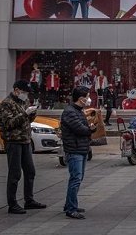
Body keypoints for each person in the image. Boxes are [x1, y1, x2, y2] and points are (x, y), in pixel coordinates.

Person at [0, 80, 46, 214]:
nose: (26, 95)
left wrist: (32, 113)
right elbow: (9, 124)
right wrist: (25, 113)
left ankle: (29, 200)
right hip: (13, 141)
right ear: (16, 90)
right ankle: (12, 204)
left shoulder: (23, 102)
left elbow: (26, 121)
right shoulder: (6, 104)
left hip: (25, 140)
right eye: (24, 92)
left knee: (30, 171)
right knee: (15, 173)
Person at [60, 86, 96, 219]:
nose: (88, 99)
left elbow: (83, 127)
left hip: (81, 148)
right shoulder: (70, 112)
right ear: (81, 99)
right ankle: (71, 208)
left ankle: (69, 204)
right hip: (74, 149)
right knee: (75, 178)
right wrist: (90, 129)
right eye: (87, 97)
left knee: (77, 178)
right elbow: (79, 129)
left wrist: (90, 128)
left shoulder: (78, 111)